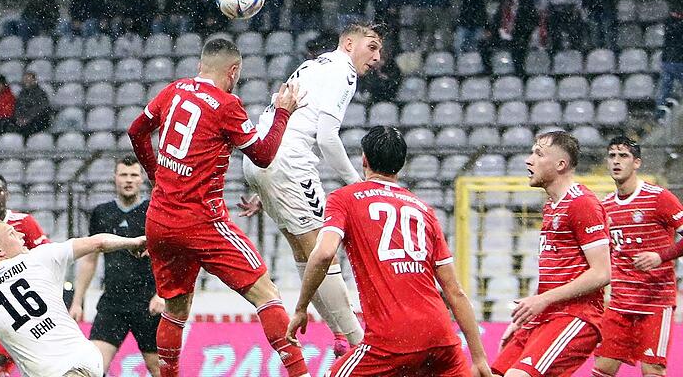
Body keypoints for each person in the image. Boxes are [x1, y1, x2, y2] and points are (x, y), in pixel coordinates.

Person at [127, 38, 309, 377]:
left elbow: (136, 131)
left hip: (160, 220)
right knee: (265, 293)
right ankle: (301, 373)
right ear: (234, 71)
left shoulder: (174, 90)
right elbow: (264, 155)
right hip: (201, 222)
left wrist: (156, 176)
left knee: (176, 309)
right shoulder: (226, 104)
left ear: (200, 66)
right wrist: (283, 111)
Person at [286, 126, 492, 376]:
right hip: (441, 338)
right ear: (402, 163)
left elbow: (324, 253)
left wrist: (301, 307)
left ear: (364, 159)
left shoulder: (345, 199)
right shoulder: (423, 210)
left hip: (391, 339)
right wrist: (479, 357)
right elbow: (455, 291)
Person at [241, 23, 383, 356]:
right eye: (372, 47)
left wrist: (266, 186)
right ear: (349, 43)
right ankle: (357, 342)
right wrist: (361, 185)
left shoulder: (315, 65)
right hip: (288, 161)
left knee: (306, 254)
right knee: (322, 252)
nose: (376, 57)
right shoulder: (343, 72)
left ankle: (339, 336)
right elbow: (327, 138)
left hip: (261, 157)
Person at [0, 221, 147, 377]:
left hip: (64, 370)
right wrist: (132, 242)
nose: (21, 235)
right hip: (87, 360)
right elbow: (98, 243)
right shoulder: (40, 257)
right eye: (12, 233)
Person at [492, 131, 611, 377]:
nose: (528, 160)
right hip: (544, 316)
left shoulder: (582, 204)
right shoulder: (552, 206)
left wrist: (543, 300)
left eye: (538, 153)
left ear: (560, 164)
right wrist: (522, 318)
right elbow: (557, 274)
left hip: (576, 315)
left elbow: (602, 272)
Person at [591, 137, 683, 377]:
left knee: (652, 370)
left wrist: (660, 256)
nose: (616, 162)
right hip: (621, 303)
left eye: (624, 156)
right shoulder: (606, 206)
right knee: (602, 369)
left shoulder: (659, 198)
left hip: (655, 303)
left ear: (637, 162)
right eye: (612, 156)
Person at [69, 155, 161, 376]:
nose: (128, 180)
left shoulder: (153, 211)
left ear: (141, 180)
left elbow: (170, 256)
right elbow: (90, 259)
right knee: (93, 367)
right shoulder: (102, 213)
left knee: (159, 369)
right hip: (113, 302)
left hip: (148, 302)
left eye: (133, 175)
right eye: (123, 175)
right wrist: (77, 301)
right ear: (115, 178)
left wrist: (163, 295)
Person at [0, 171, 50, 376]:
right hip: (5, 314)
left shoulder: (24, 223)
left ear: (6, 194)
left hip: (34, 311)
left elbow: (48, 258)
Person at [480, 0, 538, 76]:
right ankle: (489, 72)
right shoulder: (504, 0)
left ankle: (519, 74)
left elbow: (532, 20)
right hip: (501, 34)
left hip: (517, 35)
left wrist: (524, 33)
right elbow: (497, 18)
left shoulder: (526, 2)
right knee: (483, 45)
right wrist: (491, 30)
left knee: (518, 50)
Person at [655, 0, 683, 122]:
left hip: (668, 60)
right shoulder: (674, 24)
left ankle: (659, 114)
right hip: (677, 61)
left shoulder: (668, 22)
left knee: (665, 88)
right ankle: (660, 113)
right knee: (666, 87)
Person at [13, 71, 52, 137]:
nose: (27, 81)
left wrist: (28, 118)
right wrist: (19, 118)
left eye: (29, 79)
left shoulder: (41, 93)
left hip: (37, 120)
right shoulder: (21, 93)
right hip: (24, 120)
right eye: (25, 79)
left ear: (34, 80)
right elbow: (17, 107)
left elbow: (40, 108)